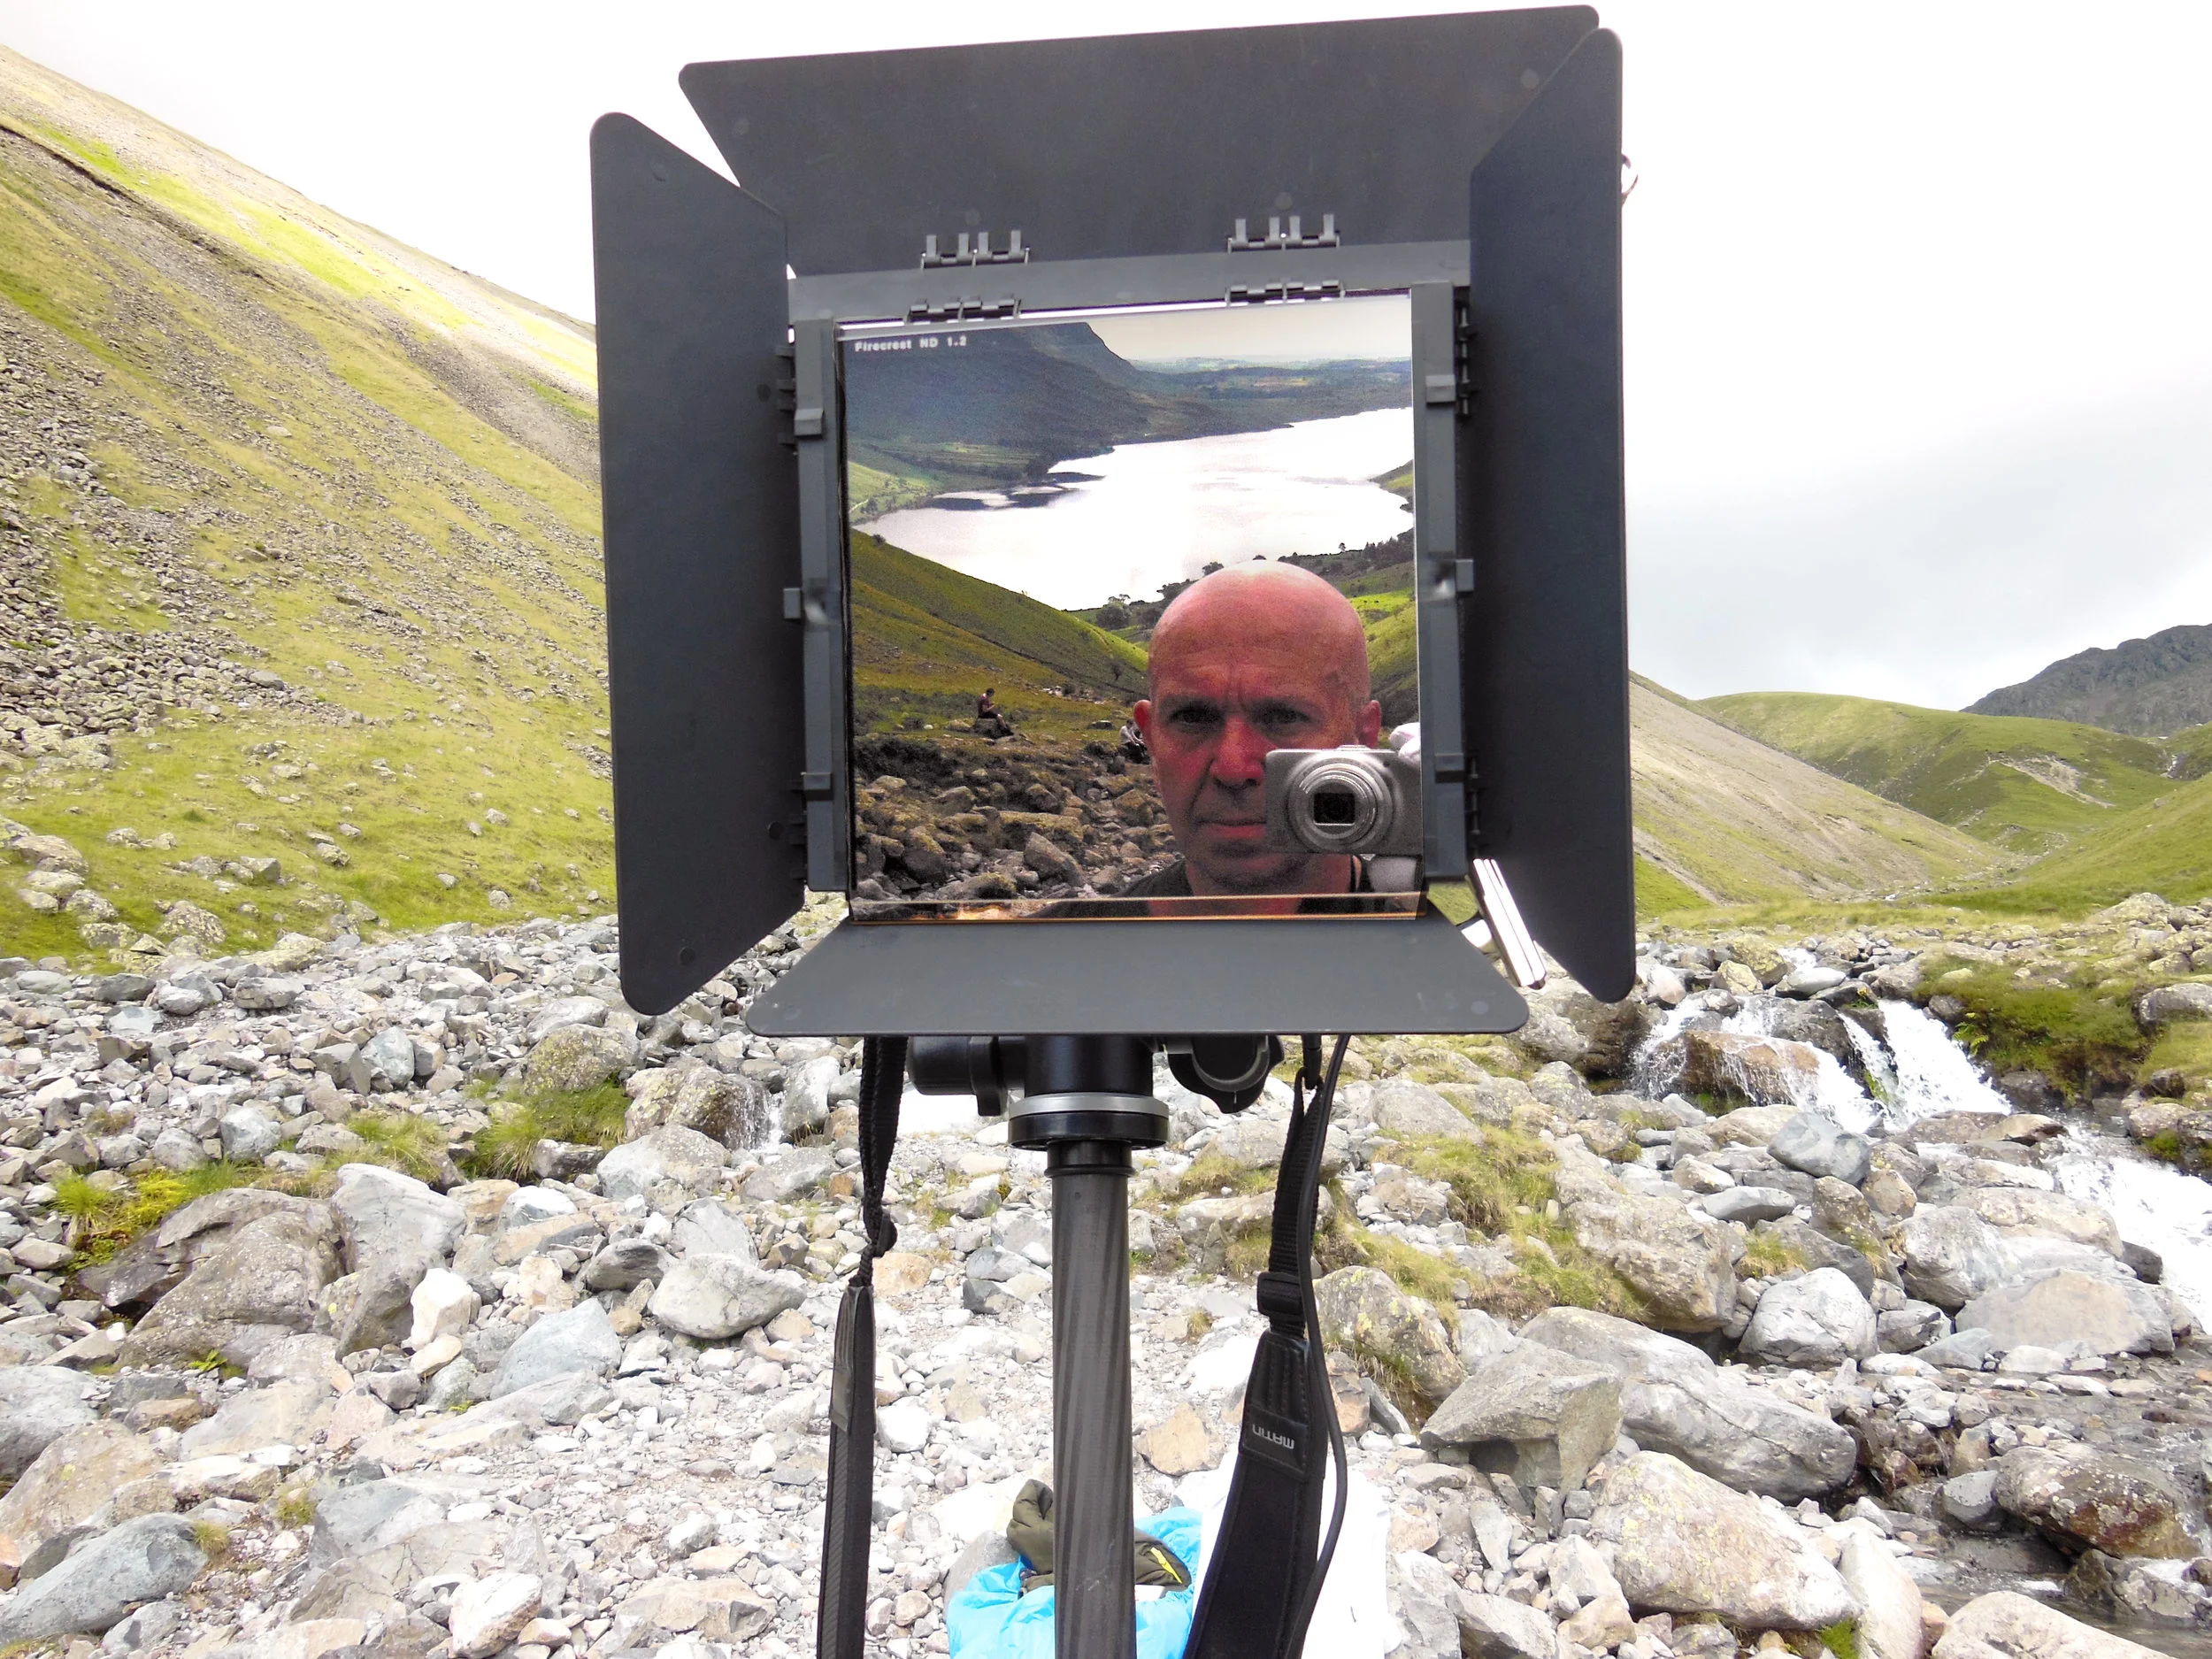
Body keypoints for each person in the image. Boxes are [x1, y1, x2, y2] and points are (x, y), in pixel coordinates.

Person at [1127, 562, 1383, 907]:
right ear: (1151, 738)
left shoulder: (1465, 938)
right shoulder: (1060, 950)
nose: (1233, 768)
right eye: (1193, 718)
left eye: (1283, 717)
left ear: (1362, 738)